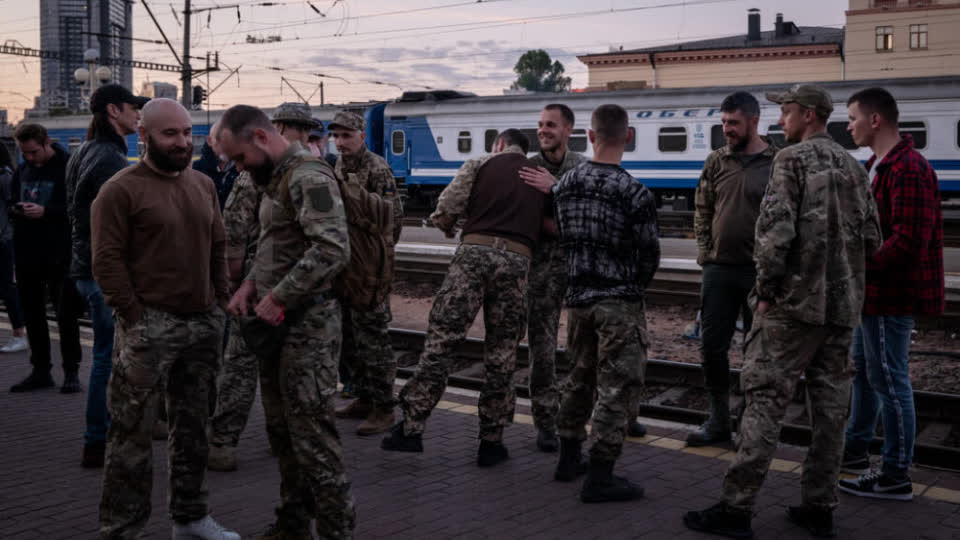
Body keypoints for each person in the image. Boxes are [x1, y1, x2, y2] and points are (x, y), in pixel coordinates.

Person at [683, 85, 882, 539]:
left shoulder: (789, 160)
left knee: (764, 402)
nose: (780, 121)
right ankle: (819, 507)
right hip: (841, 310)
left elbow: (774, 234)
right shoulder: (854, 167)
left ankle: (736, 509)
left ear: (809, 115)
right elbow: (873, 239)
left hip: (792, 308)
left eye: (787, 112)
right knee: (830, 413)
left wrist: (767, 291)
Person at [92, 98, 237, 539]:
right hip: (150, 325)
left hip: (202, 323)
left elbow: (217, 245)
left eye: (187, 132)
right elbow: (107, 261)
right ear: (144, 135)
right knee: (131, 435)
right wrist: (134, 316)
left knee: (194, 427)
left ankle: (190, 517)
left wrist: (219, 303)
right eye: (170, 133)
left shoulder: (202, 185)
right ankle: (122, 530)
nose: (181, 142)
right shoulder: (120, 189)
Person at [216, 104, 355, 539]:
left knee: (313, 438)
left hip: (308, 325)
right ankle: (293, 525)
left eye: (240, 158)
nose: (239, 168)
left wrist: (278, 295)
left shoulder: (308, 176)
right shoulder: (274, 178)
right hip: (277, 324)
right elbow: (274, 244)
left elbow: (332, 249)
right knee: (282, 433)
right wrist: (250, 285)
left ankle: (336, 531)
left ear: (261, 137)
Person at [382, 129, 543, 468]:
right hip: (518, 261)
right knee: (502, 353)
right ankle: (492, 442)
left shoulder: (481, 163)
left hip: (474, 255)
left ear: (499, 144)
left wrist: (446, 225)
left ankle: (411, 429)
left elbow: (448, 206)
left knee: (443, 341)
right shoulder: (539, 176)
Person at [549, 104, 659, 503]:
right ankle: (600, 476)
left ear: (590, 136)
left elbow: (560, 235)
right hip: (618, 302)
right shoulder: (635, 192)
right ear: (628, 136)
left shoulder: (564, 185)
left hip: (578, 300)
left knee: (578, 379)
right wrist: (631, 287)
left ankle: (567, 459)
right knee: (616, 388)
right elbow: (649, 255)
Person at [839, 87, 944, 501]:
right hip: (872, 294)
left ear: (875, 120)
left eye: (853, 118)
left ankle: (896, 473)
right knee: (866, 375)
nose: (849, 126)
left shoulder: (908, 169)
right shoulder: (877, 166)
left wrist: (858, 265)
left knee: (890, 382)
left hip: (890, 295)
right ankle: (855, 451)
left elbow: (908, 241)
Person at [207, 102, 318, 472]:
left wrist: (235, 278)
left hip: (274, 282)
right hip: (267, 280)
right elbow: (236, 228)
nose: (302, 137)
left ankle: (228, 441)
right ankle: (241, 440)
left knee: (248, 365)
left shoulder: (295, 171)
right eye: (299, 130)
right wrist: (242, 280)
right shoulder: (268, 168)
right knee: (258, 364)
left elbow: (234, 225)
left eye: (305, 131)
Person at [65, 83, 148, 468]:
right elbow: (116, 224)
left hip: (86, 267)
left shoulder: (84, 152)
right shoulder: (110, 160)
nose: (138, 114)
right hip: (103, 271)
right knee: (108, 357)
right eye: (133, 107)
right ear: (114, 111)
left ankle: (99, 436)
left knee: (106, 354)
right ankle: (98, 439)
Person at [687, 91, 777, 447]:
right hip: (719, 271)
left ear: (754, 121)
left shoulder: (777, 162)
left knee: (758, 353)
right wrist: (706, 254)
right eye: (724, 122)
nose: (727, 129)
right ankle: (719, 420)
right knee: (712, 348)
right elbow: (702, 209)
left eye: (734, 123)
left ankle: (751, 426)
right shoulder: (716, 161)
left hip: (759, 273)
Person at [516, 103, 587, 452]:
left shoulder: (583, 168)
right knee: (542, 352)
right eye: (540, 124)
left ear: (568, 129)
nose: (543, 130)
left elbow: (592, 214)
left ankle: (593, 415)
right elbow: (526, 218)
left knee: (586, 349)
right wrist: (565, 225)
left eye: (551, 125)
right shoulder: (527, 169)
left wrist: (555, 188)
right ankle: (545, 422)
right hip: (541, 272)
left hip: (580, 271)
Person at [330, 110, 403, 436]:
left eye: (346, 136)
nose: (340, 142)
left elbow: (393, 220)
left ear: (362, 136)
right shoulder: (339, 165)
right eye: (336, 136)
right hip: (347, 264)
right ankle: (364, 397)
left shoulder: (377, 168)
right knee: (350, 337)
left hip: (370, 265)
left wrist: (378, 258)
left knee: (374, 339)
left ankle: (384, 408)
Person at [8, 124, 83, 393]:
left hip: (59, 252)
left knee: (66, 314)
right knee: (33, 313)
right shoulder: (23, 170)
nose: (30, 158)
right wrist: (17, 209)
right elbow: (11, 200)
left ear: (47, 142)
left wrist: (46, 211)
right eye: (25, 153)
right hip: (27, 252)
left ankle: (71, 371)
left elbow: (77, 208)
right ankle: (40, 370)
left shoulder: (68, 167)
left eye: (34, 152)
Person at [0, 144, 27, 353]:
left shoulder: (5, 177)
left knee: (7, 287)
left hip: (3, 239)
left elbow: (14, 206)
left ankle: (19, 334)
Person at [193, 125, 239, 208]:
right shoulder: (195, 170)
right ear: (209, 141)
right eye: (220, 139)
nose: (225, 145)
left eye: (230, 140)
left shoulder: (244, 169)